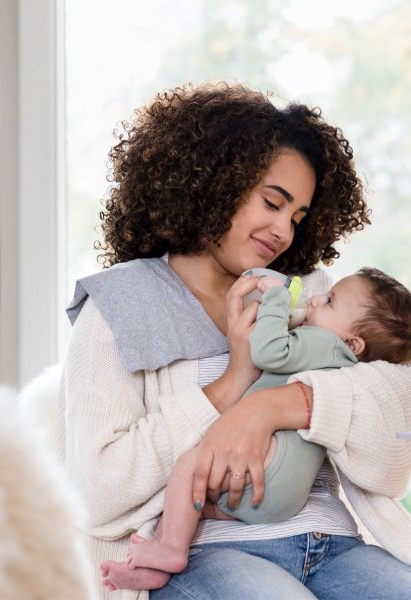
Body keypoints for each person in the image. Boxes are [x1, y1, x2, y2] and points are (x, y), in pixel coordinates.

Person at [56, 82, 411, 600]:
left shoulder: (312, 294)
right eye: (272, 201)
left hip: (331, 541)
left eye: (298, 217)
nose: (284, 231)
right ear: (213, 182)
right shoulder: (119, 307)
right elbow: (98, 491)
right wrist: (232, 384)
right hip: (205, 553)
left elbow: (398, 412)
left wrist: (273, 407)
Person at [112, 268, 411, 590]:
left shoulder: (322, 341)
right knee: (200, 494)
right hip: (282, 498)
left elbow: (269, 351)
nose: (312, 301)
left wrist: (278, 300)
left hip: (271, 482)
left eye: (327, 302)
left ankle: (169, 547)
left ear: (353, 344)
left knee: (189, 469)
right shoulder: (342, 359)